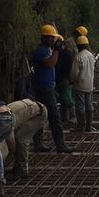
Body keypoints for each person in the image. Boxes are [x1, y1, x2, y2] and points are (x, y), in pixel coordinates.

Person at [32, 23, 74, 153]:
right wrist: (56, 51)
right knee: (54, 117)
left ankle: (39, 144)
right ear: (43, 38)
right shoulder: (41, 51)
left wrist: (57, 50)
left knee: (41, 116)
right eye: (50, 37)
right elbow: (50, 64)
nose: (52, 40)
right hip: (44, 89)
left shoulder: (47, 50)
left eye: (53, 38)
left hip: (47, 87)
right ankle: (60, 144)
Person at [3, 98, 46, 180]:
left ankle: (22, 170)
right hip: (31, 110)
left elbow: (12, 150)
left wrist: (2, 165)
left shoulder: (6, 121)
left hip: (39, 114)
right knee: (18, 138)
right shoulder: (2, 113)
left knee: (21, 139)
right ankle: (17, 167)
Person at [72, 34, 96, 133]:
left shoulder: (78, 57)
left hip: (80, 85)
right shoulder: (91, 55)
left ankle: (81, 126)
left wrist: (72, 81)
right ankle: (89, 126)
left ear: (78, 46)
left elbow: (74, 73)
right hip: (90, 85)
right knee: (89, 106)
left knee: (80, 107)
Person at [55, 35, 75, 124]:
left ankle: (73, 116)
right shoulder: (58, 53)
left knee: (67, 98)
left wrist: (68, 78)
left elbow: (71, 68)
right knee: (62, 99)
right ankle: (64, 118)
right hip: (58, 79)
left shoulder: (68, 54)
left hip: (66, 80)